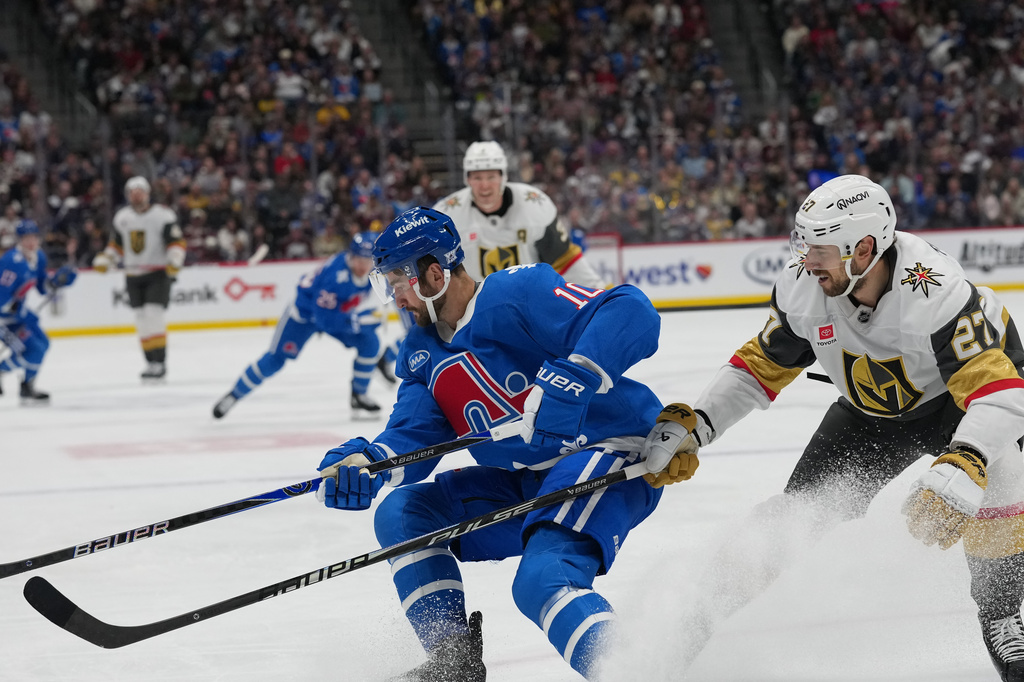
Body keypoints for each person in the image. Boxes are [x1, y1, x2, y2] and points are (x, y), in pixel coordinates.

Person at [641, 174, 1024, 680]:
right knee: (796, 517)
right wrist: (700, 424)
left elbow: (998, 393)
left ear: (864, 248)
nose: (805, 259)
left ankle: (1003, 614)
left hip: (961, 405)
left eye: (818, 247)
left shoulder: (935, 289)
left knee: (1001, 485)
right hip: (869, 412)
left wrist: (967, 460)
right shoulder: (805, 284)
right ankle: (698, 618)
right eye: (802, 243)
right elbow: (760, 366)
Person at [315, 206, 666, 681]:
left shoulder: (517, 293)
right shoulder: (422, 352)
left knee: (543, 579)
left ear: (433, 275)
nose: (395, 299)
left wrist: (579, 372)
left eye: (398, 282)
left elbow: (631, 310)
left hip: (606, 452)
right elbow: (413, 434)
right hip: (527, 481)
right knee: (403, 514)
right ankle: (453, 661)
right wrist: (370, 462)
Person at [212, 232, 397, 419]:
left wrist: (362, 318)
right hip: (304, 315)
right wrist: (358, 320)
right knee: (275, 359)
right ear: (351, 256)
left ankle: (359, 395)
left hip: (332, 314)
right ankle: (233, 395)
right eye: (359, 259)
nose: (363, 266)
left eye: (368, 260)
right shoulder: (336, 277)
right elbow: (324, 318)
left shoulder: (371, 272)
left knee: (370, 342)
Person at [432, 141, 604, 288]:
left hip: (528, 309)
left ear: (503, 176)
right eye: (477, 178)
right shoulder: (446, 215)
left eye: (491, 177)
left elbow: (565, 260)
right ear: (467, 179)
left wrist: (601, 292)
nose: (484, 186)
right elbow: (434, 273)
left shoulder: (534, 205)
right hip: (471, 315)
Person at [92, 176, 185, 380]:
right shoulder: (122, 217)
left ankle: (160, 362)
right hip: (133, 275)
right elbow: (116, 245)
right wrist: (107, 260)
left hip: (157, 273)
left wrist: (175, 260)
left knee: (153, 315)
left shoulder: (162, 215)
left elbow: (176, 242)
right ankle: (150, 362)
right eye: (132, 192)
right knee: (142, 320)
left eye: (140, 191)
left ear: (147, 193)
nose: (136, 195)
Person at [0, 219, 77, 403]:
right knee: (31, 349)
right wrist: (15, 310)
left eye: (34, 237)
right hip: (3, 321)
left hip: (19, 316)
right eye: (26, 238)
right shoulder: (11, 261)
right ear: (19, 240)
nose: (31, 242)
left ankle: (27, 386)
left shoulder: (38, 257)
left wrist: (57, 281)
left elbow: (43, 287)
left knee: (43, 344)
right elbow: (1, 295)